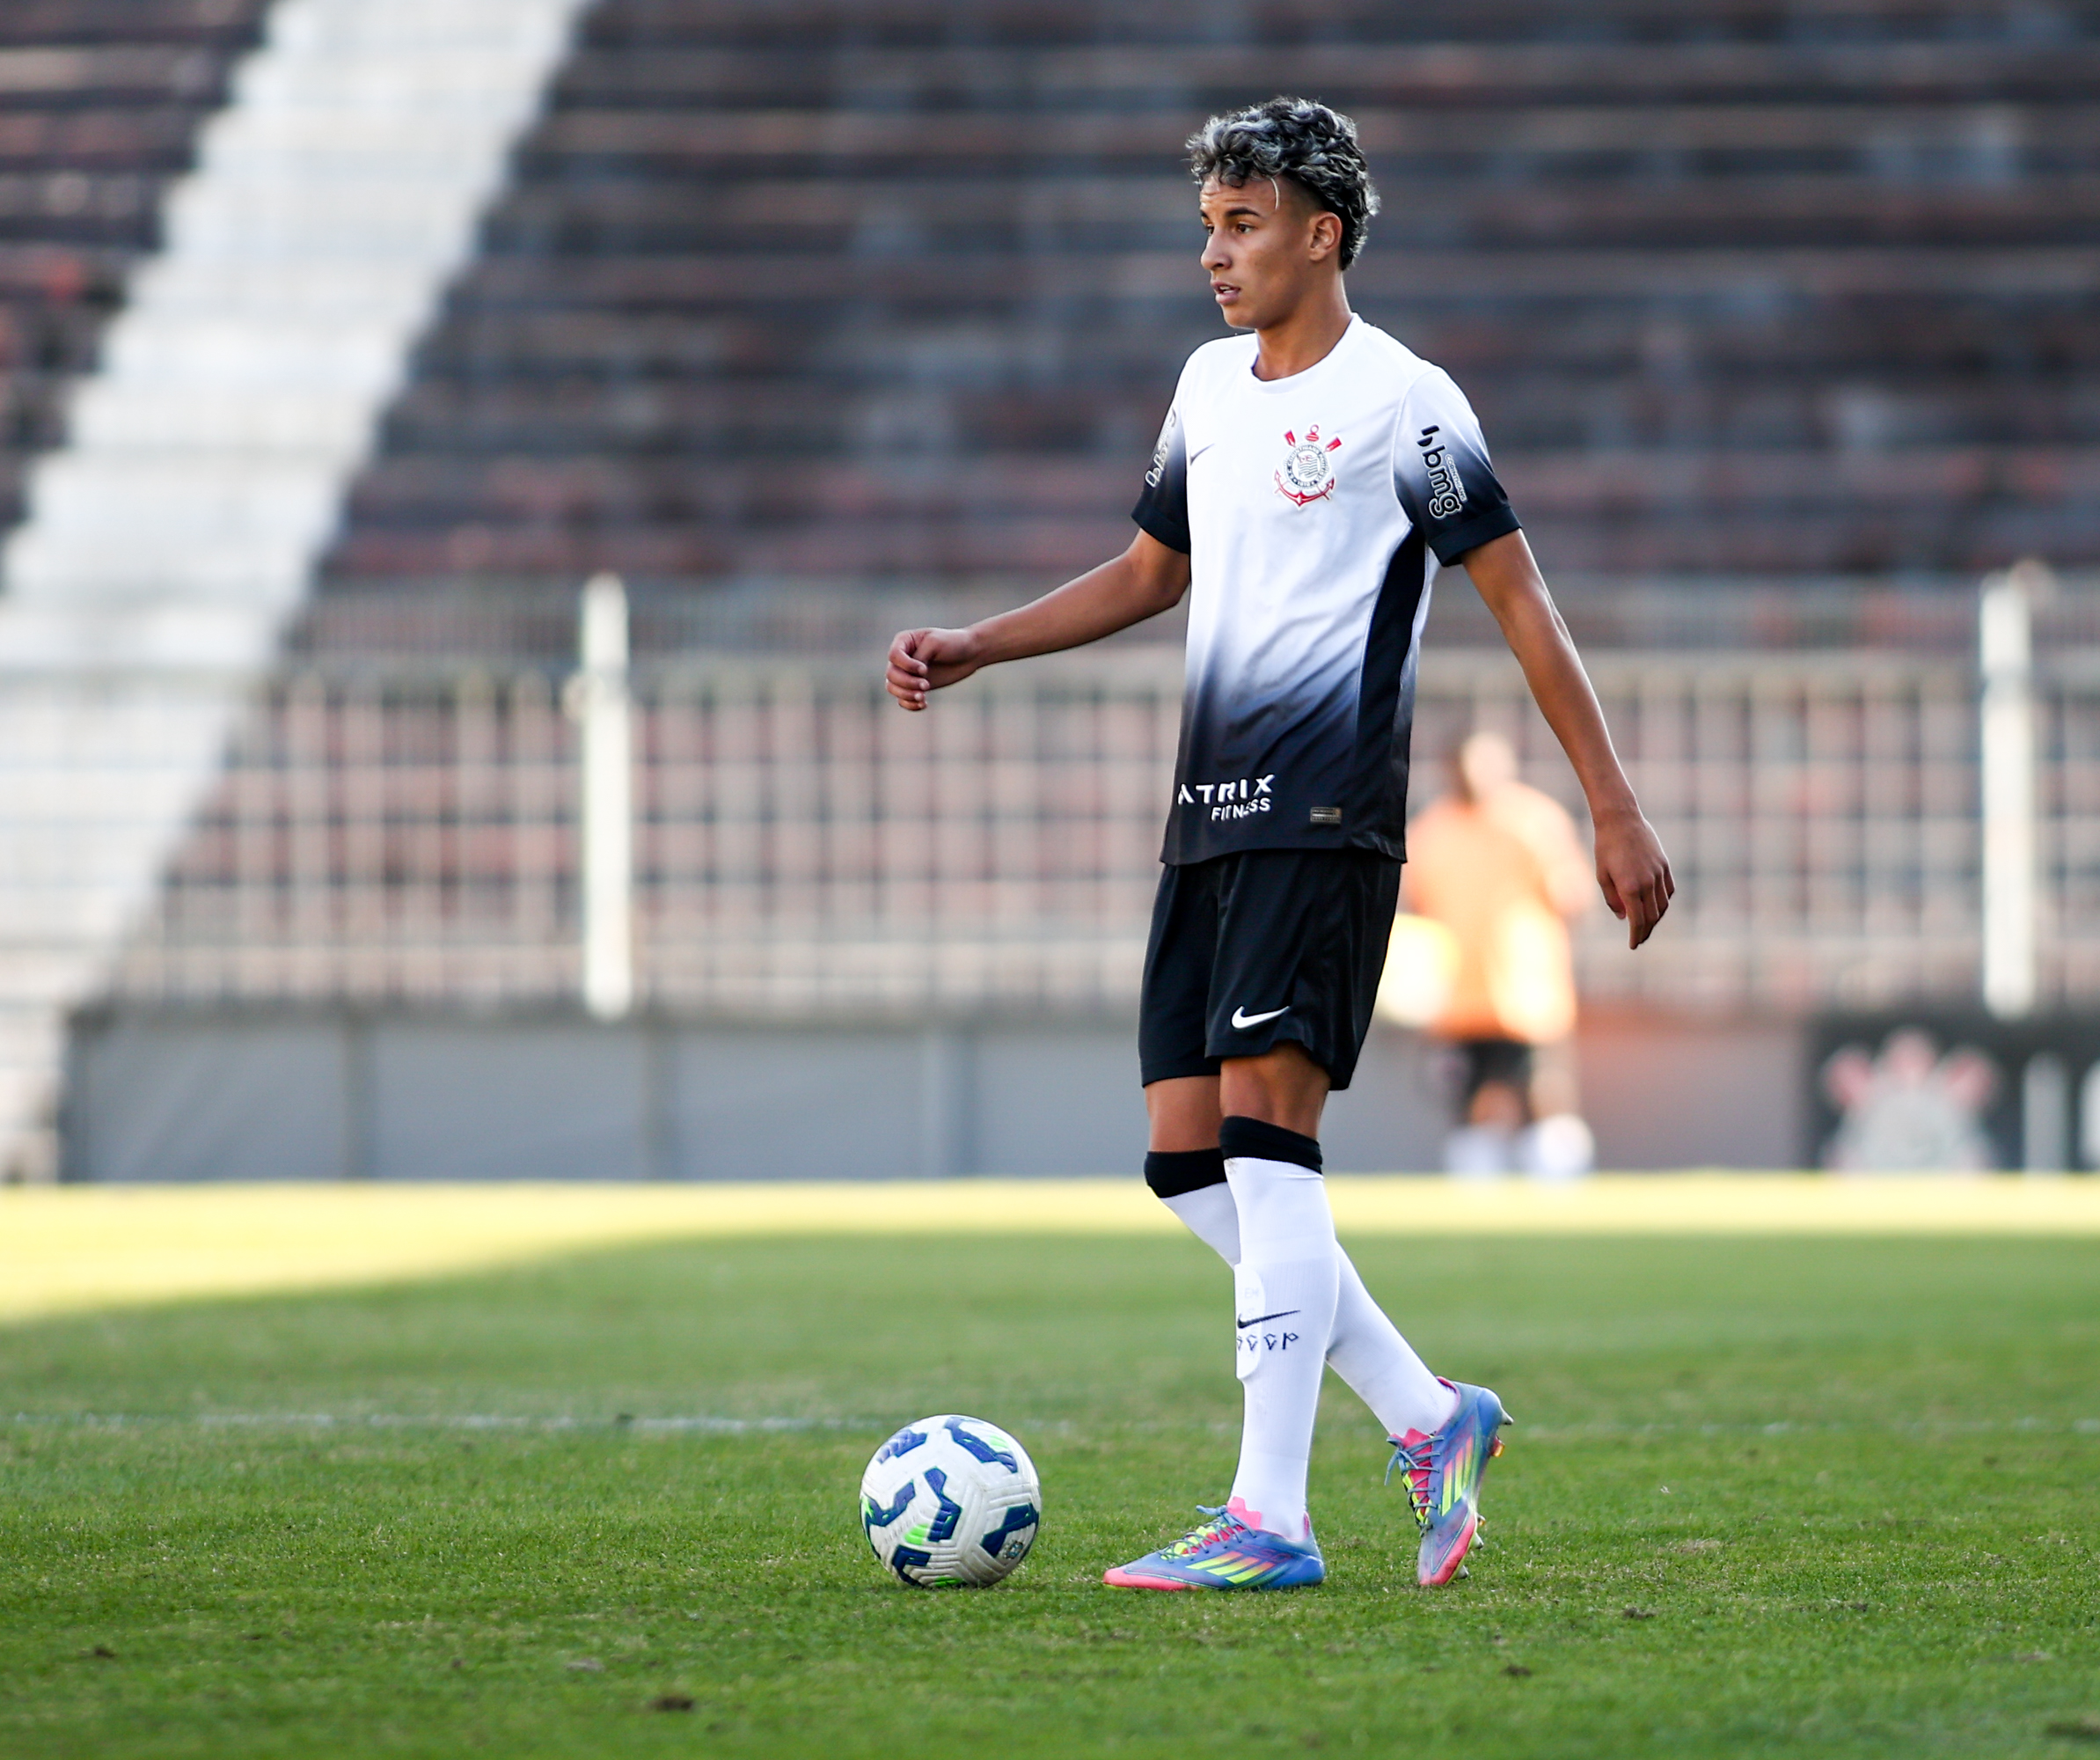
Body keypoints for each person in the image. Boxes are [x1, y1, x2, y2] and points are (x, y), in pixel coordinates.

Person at [885, 96, 1672, 1593]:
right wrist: (983, 640)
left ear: (1321, 234)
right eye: (1205, 226)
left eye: (1240, 225)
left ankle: (1270, 1518)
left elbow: (1519, 599)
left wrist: (1610, 804)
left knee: (1264, 1144)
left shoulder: (1406, 401)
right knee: (1189, 1163)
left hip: (1326, 812)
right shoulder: (1204, 386)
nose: (1213, 253)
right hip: (1208, 817)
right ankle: (1428, 1416)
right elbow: (1148, 572)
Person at [1403, 730, 1597, 1179]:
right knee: (1471, 1096)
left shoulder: (1533, 821)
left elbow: (1572, 895)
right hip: (1459, 999)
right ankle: (1479, 1190)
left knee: (1541, 1090)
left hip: (1525, 992)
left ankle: (1558, 1182)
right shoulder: (1432, 831)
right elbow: (1418, 908)